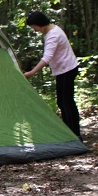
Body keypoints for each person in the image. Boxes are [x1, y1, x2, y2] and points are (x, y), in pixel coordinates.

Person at [23, 10, 81, 138]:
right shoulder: (53, 29)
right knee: (66, 101)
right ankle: (73, 132)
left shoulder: (53, 35)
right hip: (66, 69)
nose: (35, 30)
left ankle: (73, 134)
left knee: (65, 102)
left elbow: (47, 57)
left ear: (40, 25)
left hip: (66, 70)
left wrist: (32, 72)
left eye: (34, 27)